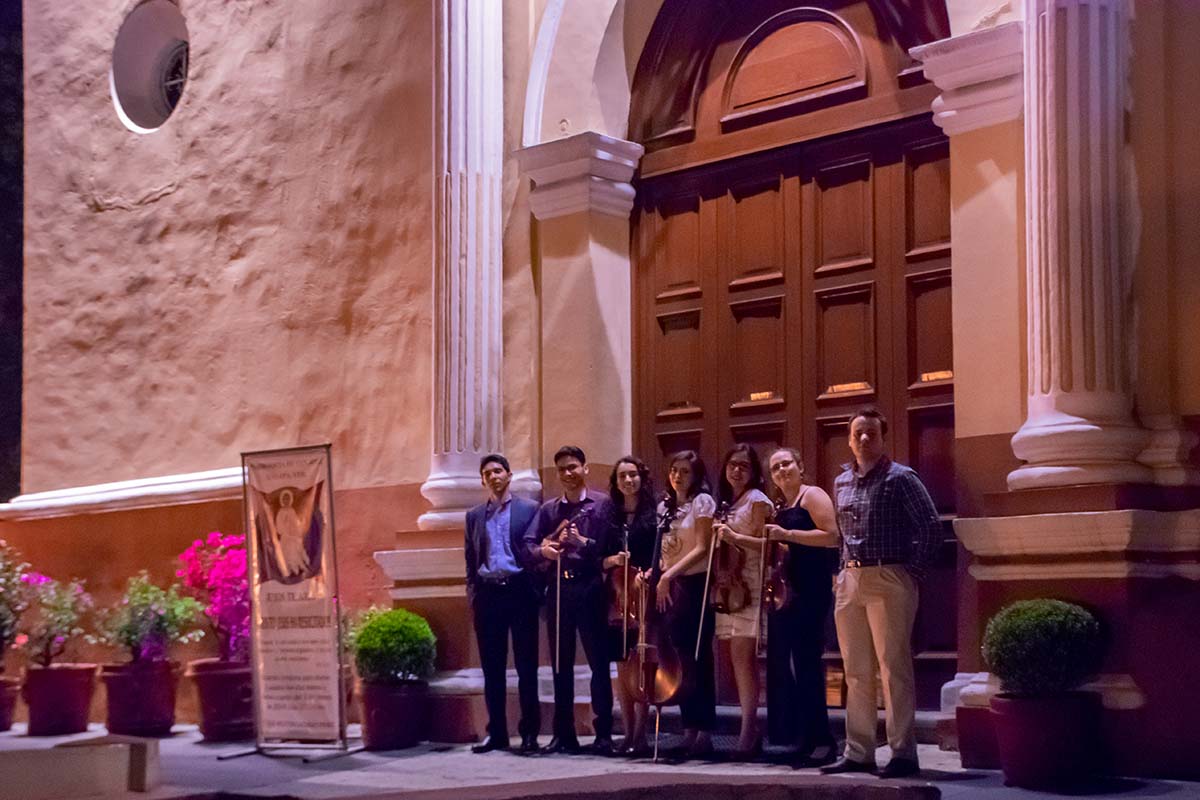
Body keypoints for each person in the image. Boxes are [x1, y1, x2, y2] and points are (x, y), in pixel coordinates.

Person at [821, 407, 942, 779]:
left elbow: (931, 526)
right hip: (850, 579)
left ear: (882, 437)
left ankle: (903, 753)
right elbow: (841, 534)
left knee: (894, 669)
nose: (863, 439)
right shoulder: (842, 483)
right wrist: (840, 574)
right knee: (856, 671)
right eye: (857, 433)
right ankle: (859, 751)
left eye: (871, 433)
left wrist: (911, 574)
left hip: (889, 575)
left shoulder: (900, 478)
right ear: (849, 438)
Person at [521, 445, 614, 755]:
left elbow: (606, 549)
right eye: (562, 469)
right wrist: (543, 552)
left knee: (599, 663)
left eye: (573, 467)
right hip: (559, 590)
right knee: (561, 663)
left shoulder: (602, 505)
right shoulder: (549, 510)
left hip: (590, 589)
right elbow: (528, 545)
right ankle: (564, 734)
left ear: (584, 468)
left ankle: (603, 734)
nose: (567, 473)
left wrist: (580, 543)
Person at [763, 446, 839, 766]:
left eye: (786, 464)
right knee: (796, 666)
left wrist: (788, 534)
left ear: (800, 465)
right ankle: (806, 737)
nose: (782, 470)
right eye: (776, 467)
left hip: (811, 590)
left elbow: (832, 536)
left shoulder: (812, 495)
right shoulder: (783, 504)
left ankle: (823, 741)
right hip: (789, 592)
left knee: (808, 665)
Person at [464, 454, 542, 755]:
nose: (493, 476)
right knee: (492, 670)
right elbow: (470, 560)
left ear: (509, 476)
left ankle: (530, 734)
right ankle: (496, 733)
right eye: (487, 473)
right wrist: (473, 594)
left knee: (527, 668)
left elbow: (535, 551)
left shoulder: (529, 509)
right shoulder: (473, 516)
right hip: (488, 596)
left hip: (520, 593)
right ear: (483, 480)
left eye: (498, 471)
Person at [649, 450, 717, 758]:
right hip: (670, 584)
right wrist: (657, 571)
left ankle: (705, 732)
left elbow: (703, 548)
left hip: (693, 584)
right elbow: (667, 549)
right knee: (680, 657)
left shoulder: (702, 503)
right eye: (674, 470)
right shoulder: (665, 506)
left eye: (685, 471)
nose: (678, 475)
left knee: (697, 656)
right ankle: (689, 730)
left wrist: (669, 575)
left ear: (696, 475)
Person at [710, 443, 772, 757]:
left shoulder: (758, 500)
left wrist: (734, 538)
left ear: (753, 471)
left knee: (744, 659)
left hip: (750, 585)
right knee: (735, 659)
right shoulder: (727, 503)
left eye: (744, 466)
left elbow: (768, 544)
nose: (736, 471)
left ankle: (750, 728)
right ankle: (748, 726)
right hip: (728, 587)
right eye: (732, 465)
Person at [600, 456, 658, 755]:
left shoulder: (654, 516)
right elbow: (598, 556)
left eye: (633, 475)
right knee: (622, 667)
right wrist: (611, 561)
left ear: (641, 478)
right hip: (617, 600)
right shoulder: (610, 518)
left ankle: (641, 733)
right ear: (616, 482)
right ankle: (626, 729)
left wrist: (647, 573)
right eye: (622, 476)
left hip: (644, 596)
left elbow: (660, 555)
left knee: (642, 664)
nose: (628, 481)